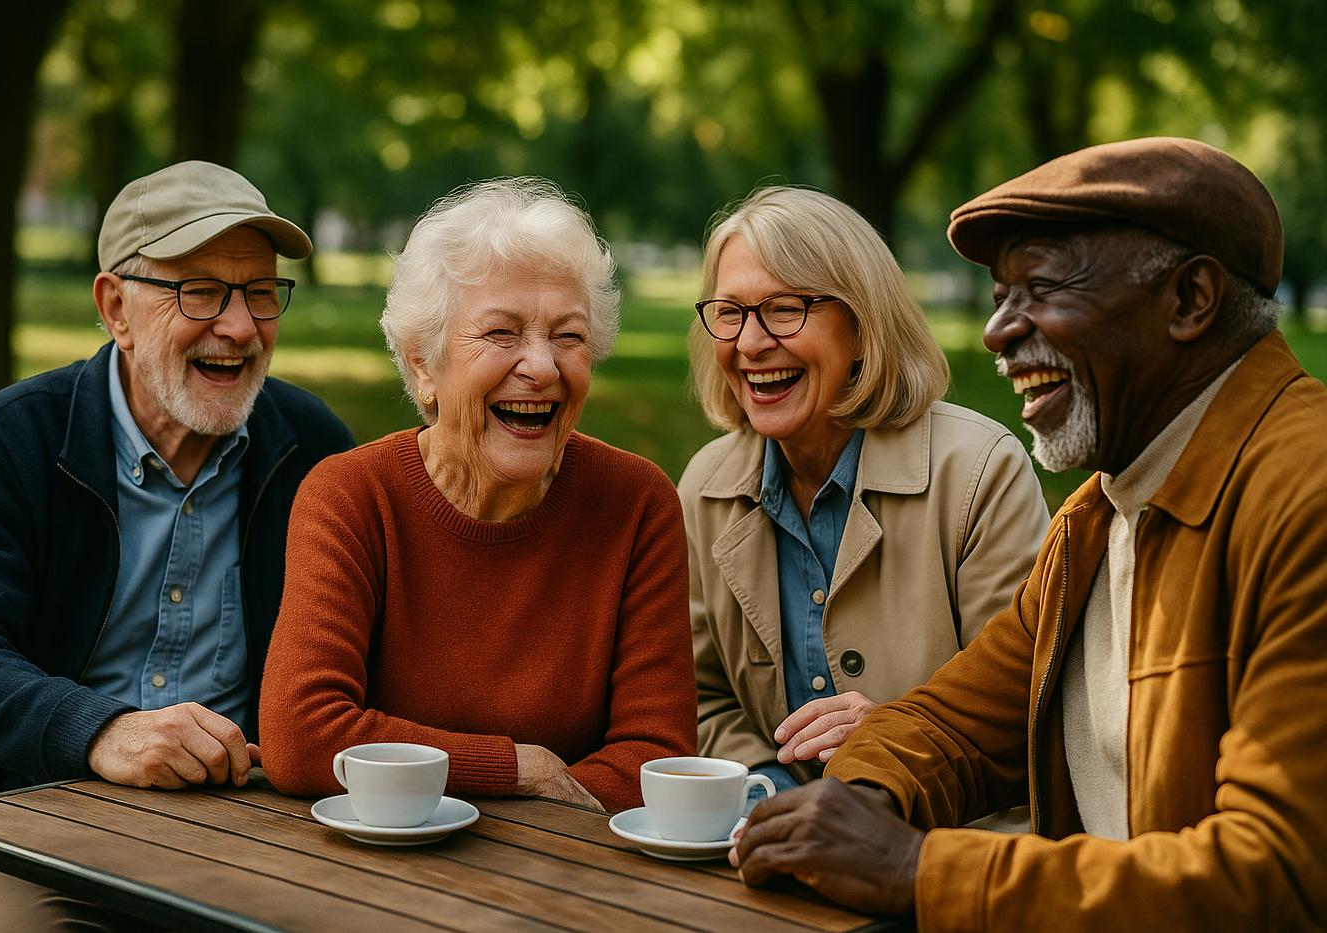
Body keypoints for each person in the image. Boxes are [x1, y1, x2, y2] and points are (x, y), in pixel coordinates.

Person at [730, 137, 1327, 931]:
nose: (996, 332)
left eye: (1039, 288)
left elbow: (1279, 877)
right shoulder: (1096, 516)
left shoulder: (1304, 492)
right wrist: (851, 805)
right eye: (1000, 294)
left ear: (1190, 300)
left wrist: (915, 866)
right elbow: (954, 724)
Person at [0, 160, 354, 932]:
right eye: (199, 290)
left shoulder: (313, 447)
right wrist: (100, 730)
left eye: (261, 291)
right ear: (116, 307)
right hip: (41, 814)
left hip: (259, 825)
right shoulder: (16, 437)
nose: (239, 325)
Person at [259, 177, 696, 814]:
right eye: (503, 334)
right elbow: (302, 736)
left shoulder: (637, 505)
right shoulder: (351, 497)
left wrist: (464, 801)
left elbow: (655, 759)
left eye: (568, 337)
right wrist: (516, 767)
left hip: (571, 875)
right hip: (378, 865)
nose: (543, 367)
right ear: (422, 364)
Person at [679, 186, 1049, 804]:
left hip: (938, 853)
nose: (749, 343)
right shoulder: (705, 487)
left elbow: (1024, 711)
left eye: (785, 308)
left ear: (862, 322)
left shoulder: (980, 471)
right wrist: (775, 800)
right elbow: (701, 697)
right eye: (730, 312)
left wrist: (892, 744)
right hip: (762, 848)